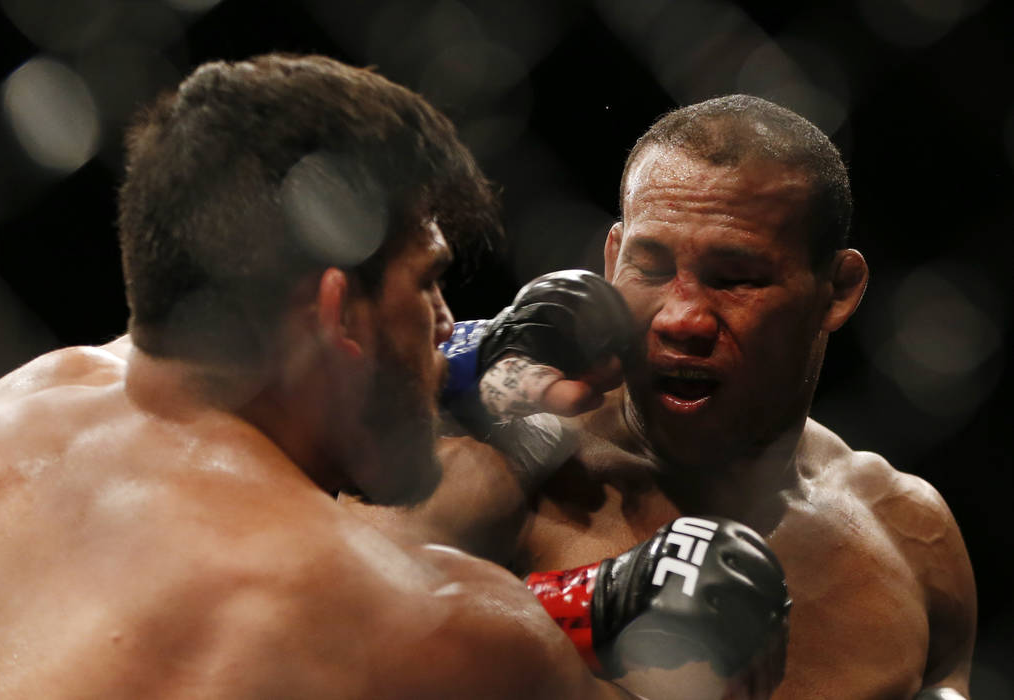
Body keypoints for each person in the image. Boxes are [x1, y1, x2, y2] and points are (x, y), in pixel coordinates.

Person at [0, 55, 789, 699]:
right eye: (428, 284)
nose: (446, 322)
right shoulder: (430, 625)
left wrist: (469, 360)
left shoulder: (22, 407)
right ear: (337, 312)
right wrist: (586, 610)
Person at [345, 95, 978, 699]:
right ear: (612, 258)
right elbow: (333, 636)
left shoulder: (909, 533)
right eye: (650, 268)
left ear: (837, 290)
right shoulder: (498, 462)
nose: (681, 318)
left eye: (735, 279)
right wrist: (590, 607)